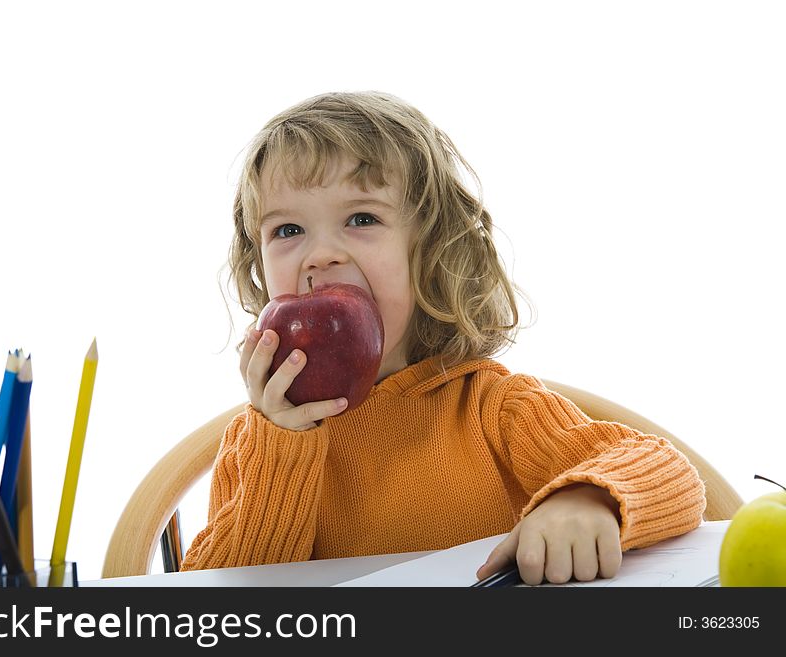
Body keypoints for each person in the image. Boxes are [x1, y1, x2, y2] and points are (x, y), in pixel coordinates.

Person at [180, 91, 705, 585]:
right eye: (287, 231)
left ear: (428, 251)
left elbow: (670, 473)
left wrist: (588, 499)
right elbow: (213, 601)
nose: (320, 255)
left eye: (362, 218)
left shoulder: (491, 408)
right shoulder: (254, 445)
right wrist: (283, 449)